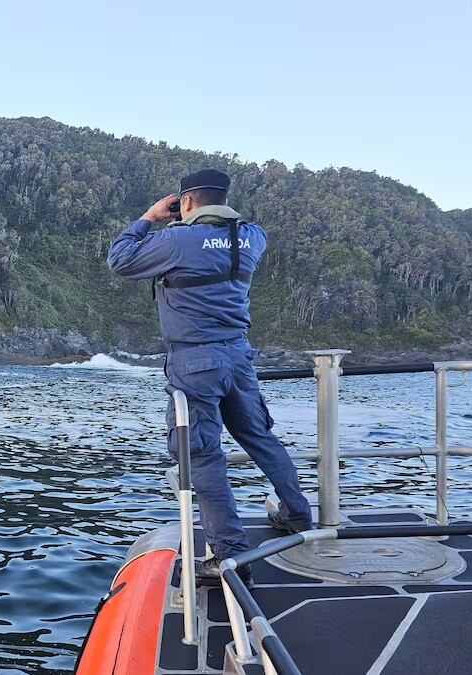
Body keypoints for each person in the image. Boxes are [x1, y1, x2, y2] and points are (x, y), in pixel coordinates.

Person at [106, 168, 313, 585]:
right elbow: (227, 236)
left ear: (184, 203)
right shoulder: (252, 236)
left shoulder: (177, 240)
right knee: (259, 437)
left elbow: (121, 259)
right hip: (238, 357)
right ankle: (296, 515)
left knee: (202, 456)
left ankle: (230, 557)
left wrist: (149, 216)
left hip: (195, 361)